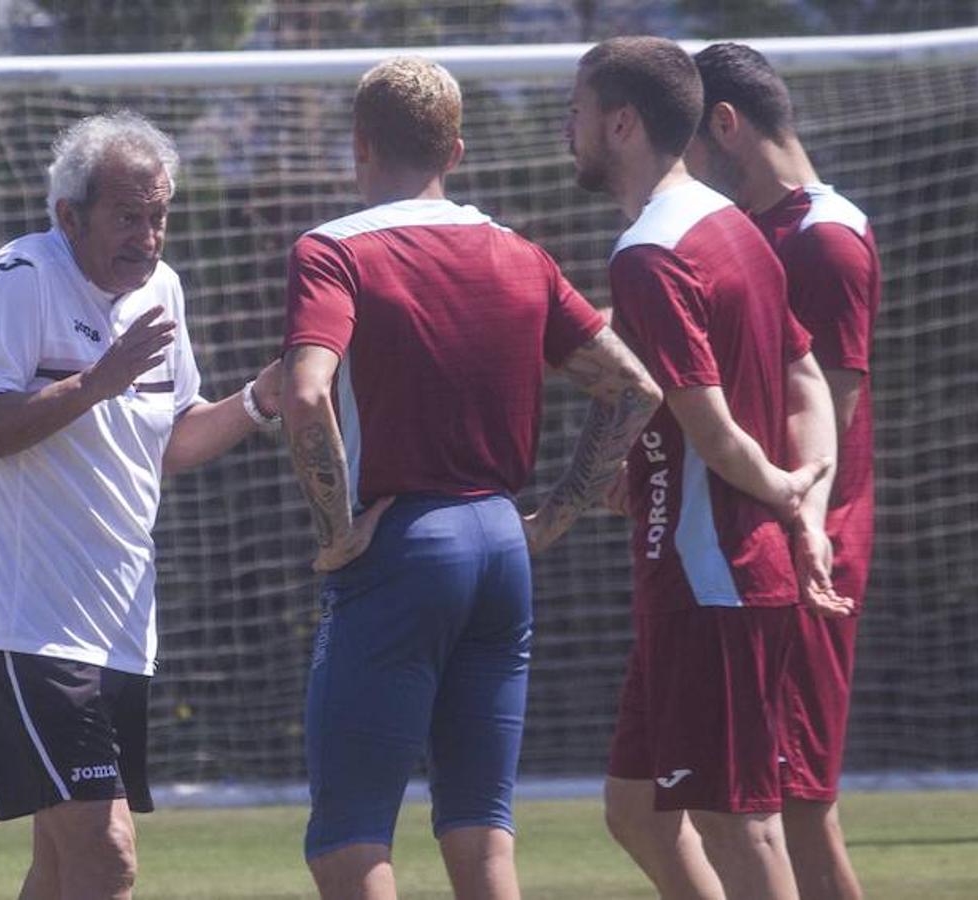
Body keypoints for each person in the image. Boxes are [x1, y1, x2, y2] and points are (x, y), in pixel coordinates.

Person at [281, 56, 660, 900]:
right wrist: (553, 518)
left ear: (359, 145)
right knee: (482, 834)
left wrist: (338, 536)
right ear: (454, 148)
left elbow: (307, 393)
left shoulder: (332, 251)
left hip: (403, 545)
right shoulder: (519, 254)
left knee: (348, 841)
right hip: (500, 547)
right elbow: (634, 386)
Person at [0, 111, 285, 899]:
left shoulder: (162, 291)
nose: (149, 236)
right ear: (68, 216)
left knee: (61, 868)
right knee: (109, 856)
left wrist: (261, 402)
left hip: (120, 626)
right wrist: (96, 381)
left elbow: (175, 442)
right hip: (27, 622)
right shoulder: (17, 280)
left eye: (159, 215)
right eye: (128, 216)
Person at [567, 36, 851, 900]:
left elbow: (716, 431)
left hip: (711, 576)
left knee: (739, 820)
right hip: (707, 566)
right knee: (635, 809)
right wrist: (801, 506)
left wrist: (783, 493)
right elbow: (803, 379)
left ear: (620, 123)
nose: (566, 128)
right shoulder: (730, 225)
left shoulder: (649, 254)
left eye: (575, 112)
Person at [684, 42, 881, 900]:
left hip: (804, 548)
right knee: (704, 801)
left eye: (683, 139)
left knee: (794, 802)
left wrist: (800, 529)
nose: (676, 164)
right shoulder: (750, 231)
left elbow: (824, 421)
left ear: (724, 126)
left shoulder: (824, 240)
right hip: (744, 537)